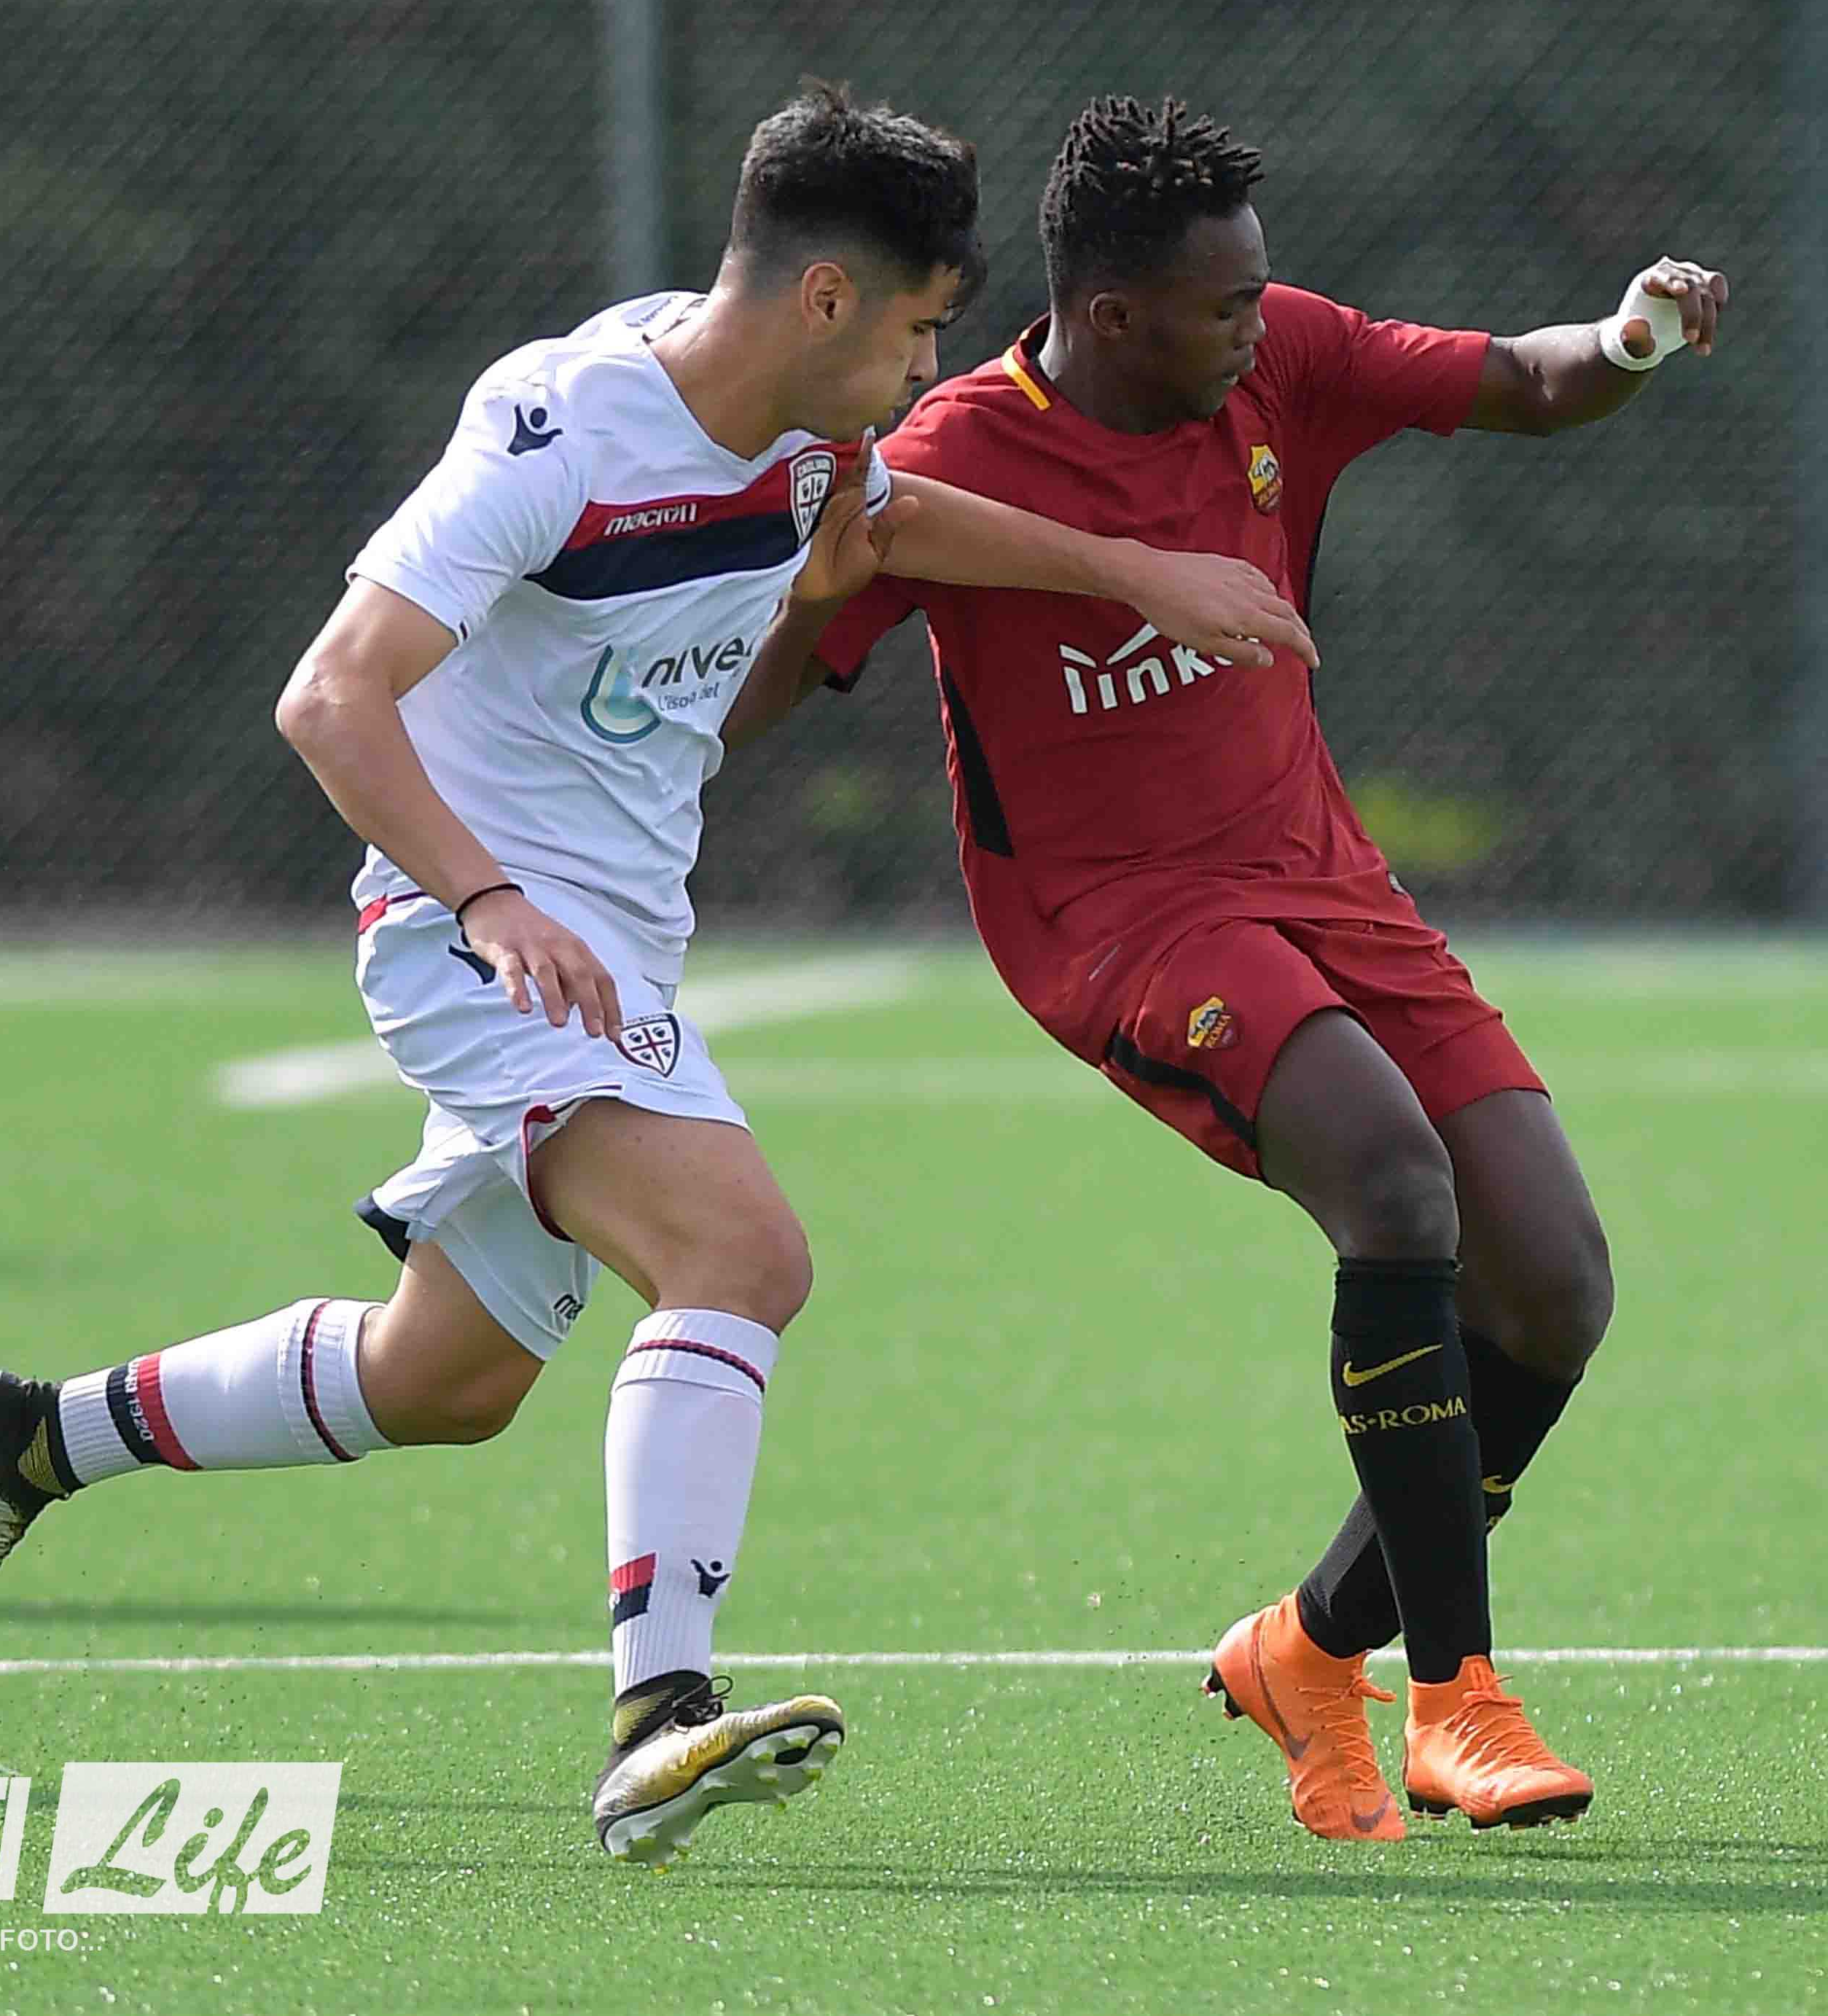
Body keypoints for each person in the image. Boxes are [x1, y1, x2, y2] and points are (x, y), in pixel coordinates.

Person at [0, 84, 1312, 1870]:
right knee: (742, 1252)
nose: (926, 370)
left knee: (444, 1377)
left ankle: (29, 1438)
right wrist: (491, 899)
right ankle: (659, 1713)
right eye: (917, 331)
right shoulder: (560, 426)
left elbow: (878, 532)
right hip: (475, 936)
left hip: (605, 946)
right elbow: (330, 695)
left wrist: (1130, 573)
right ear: (822, 297)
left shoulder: (809, 431)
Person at [730, 94, 1723, 1842]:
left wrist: (1632, 336)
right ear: (1109, 316)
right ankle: (1457, 1698)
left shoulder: (1280, 363)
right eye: (1225, 306)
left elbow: (1527, 377)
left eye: (1262, 294)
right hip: (1119, 923)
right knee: (1393, 1186)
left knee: (1555, 1285)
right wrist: (810, 580)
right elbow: (759, 695)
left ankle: (1307, 1648)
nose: (1260, 327)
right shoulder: (952, 452)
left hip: (1318, 875)